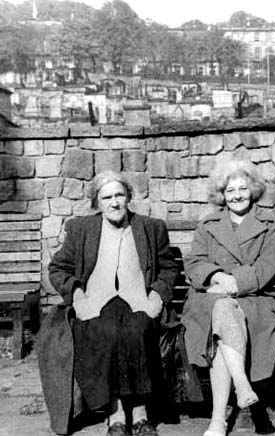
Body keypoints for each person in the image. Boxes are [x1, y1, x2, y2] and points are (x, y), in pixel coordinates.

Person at [48, 170, 178, 436]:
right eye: (107, 197)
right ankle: (115, 413)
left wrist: (156, 295)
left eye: (119, 195)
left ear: (128, 196)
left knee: (137, 330)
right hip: (95, 301)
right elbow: (58, 268)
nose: (114, 202)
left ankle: (140, 413)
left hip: (139, 300)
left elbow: (168, 268)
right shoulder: (81, 229)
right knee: (106, 332)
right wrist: (76, 295)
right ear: (97, 202)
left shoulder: (150, 227)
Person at [181, 158, 275, 436]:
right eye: (230, 191)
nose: (237, 195)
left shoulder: (270, 222)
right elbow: (194, 263)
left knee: (222, 320)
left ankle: (218, 420)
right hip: (210, 297)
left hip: (255, 298)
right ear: (221, 195)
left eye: (242, 189)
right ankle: (242, 387)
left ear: (253, 190)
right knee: (222, 311)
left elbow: (269, 265)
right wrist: (218, 277)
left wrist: (233, 283)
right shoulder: (208, 224)